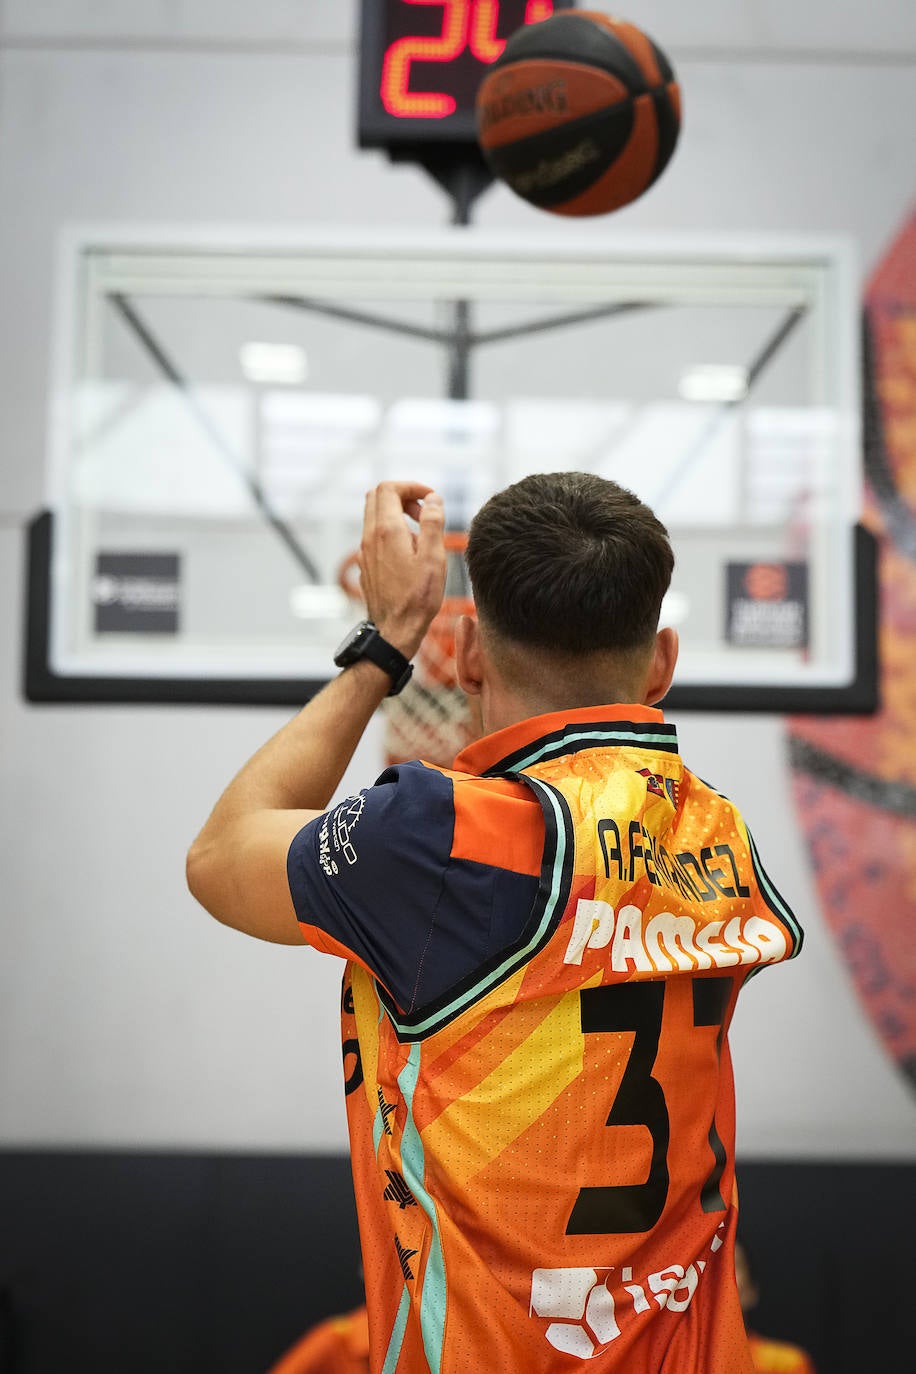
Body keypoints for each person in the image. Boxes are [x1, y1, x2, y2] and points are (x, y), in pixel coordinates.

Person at [187, 473, 802, 1373]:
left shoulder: (448, 844)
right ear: (663, 664)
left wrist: (386, 641)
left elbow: (219, 855)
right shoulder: (717, 835)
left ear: (468, 656)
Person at [735, 1242, 817, 1374]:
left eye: (730, 1265)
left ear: (751, 1291)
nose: (720, 1278)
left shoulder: (786, 1365)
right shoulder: (691, 1362)